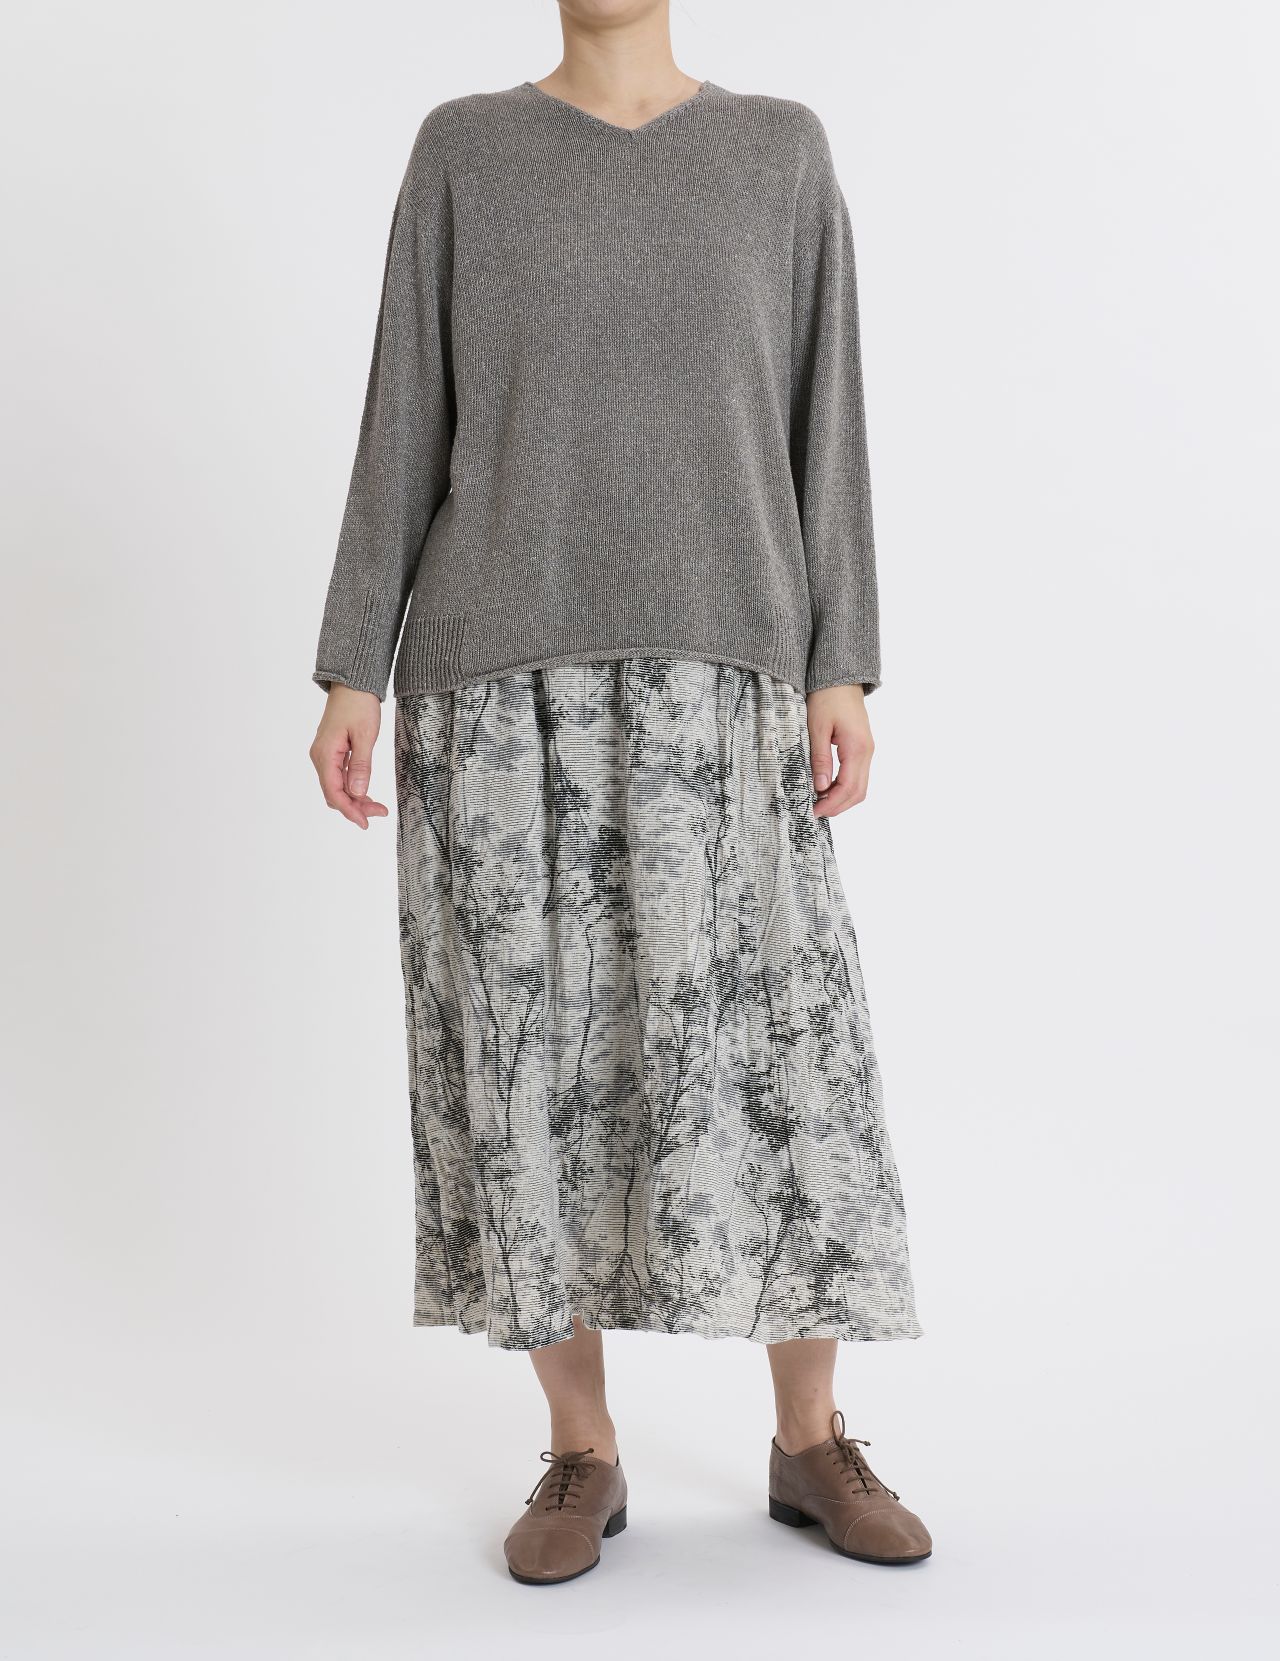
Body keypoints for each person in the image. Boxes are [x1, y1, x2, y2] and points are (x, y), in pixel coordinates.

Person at [309, 0, 931, 1584]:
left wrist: (843, 661)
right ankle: (581, 1448)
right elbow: (403, 411)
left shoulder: (778, 154)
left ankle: (810, 1437)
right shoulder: (464, 152)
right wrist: (353, 665)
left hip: (728, 667)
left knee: (782, 1058)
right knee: (531, 1065)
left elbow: (831, 418)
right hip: (495, 678)